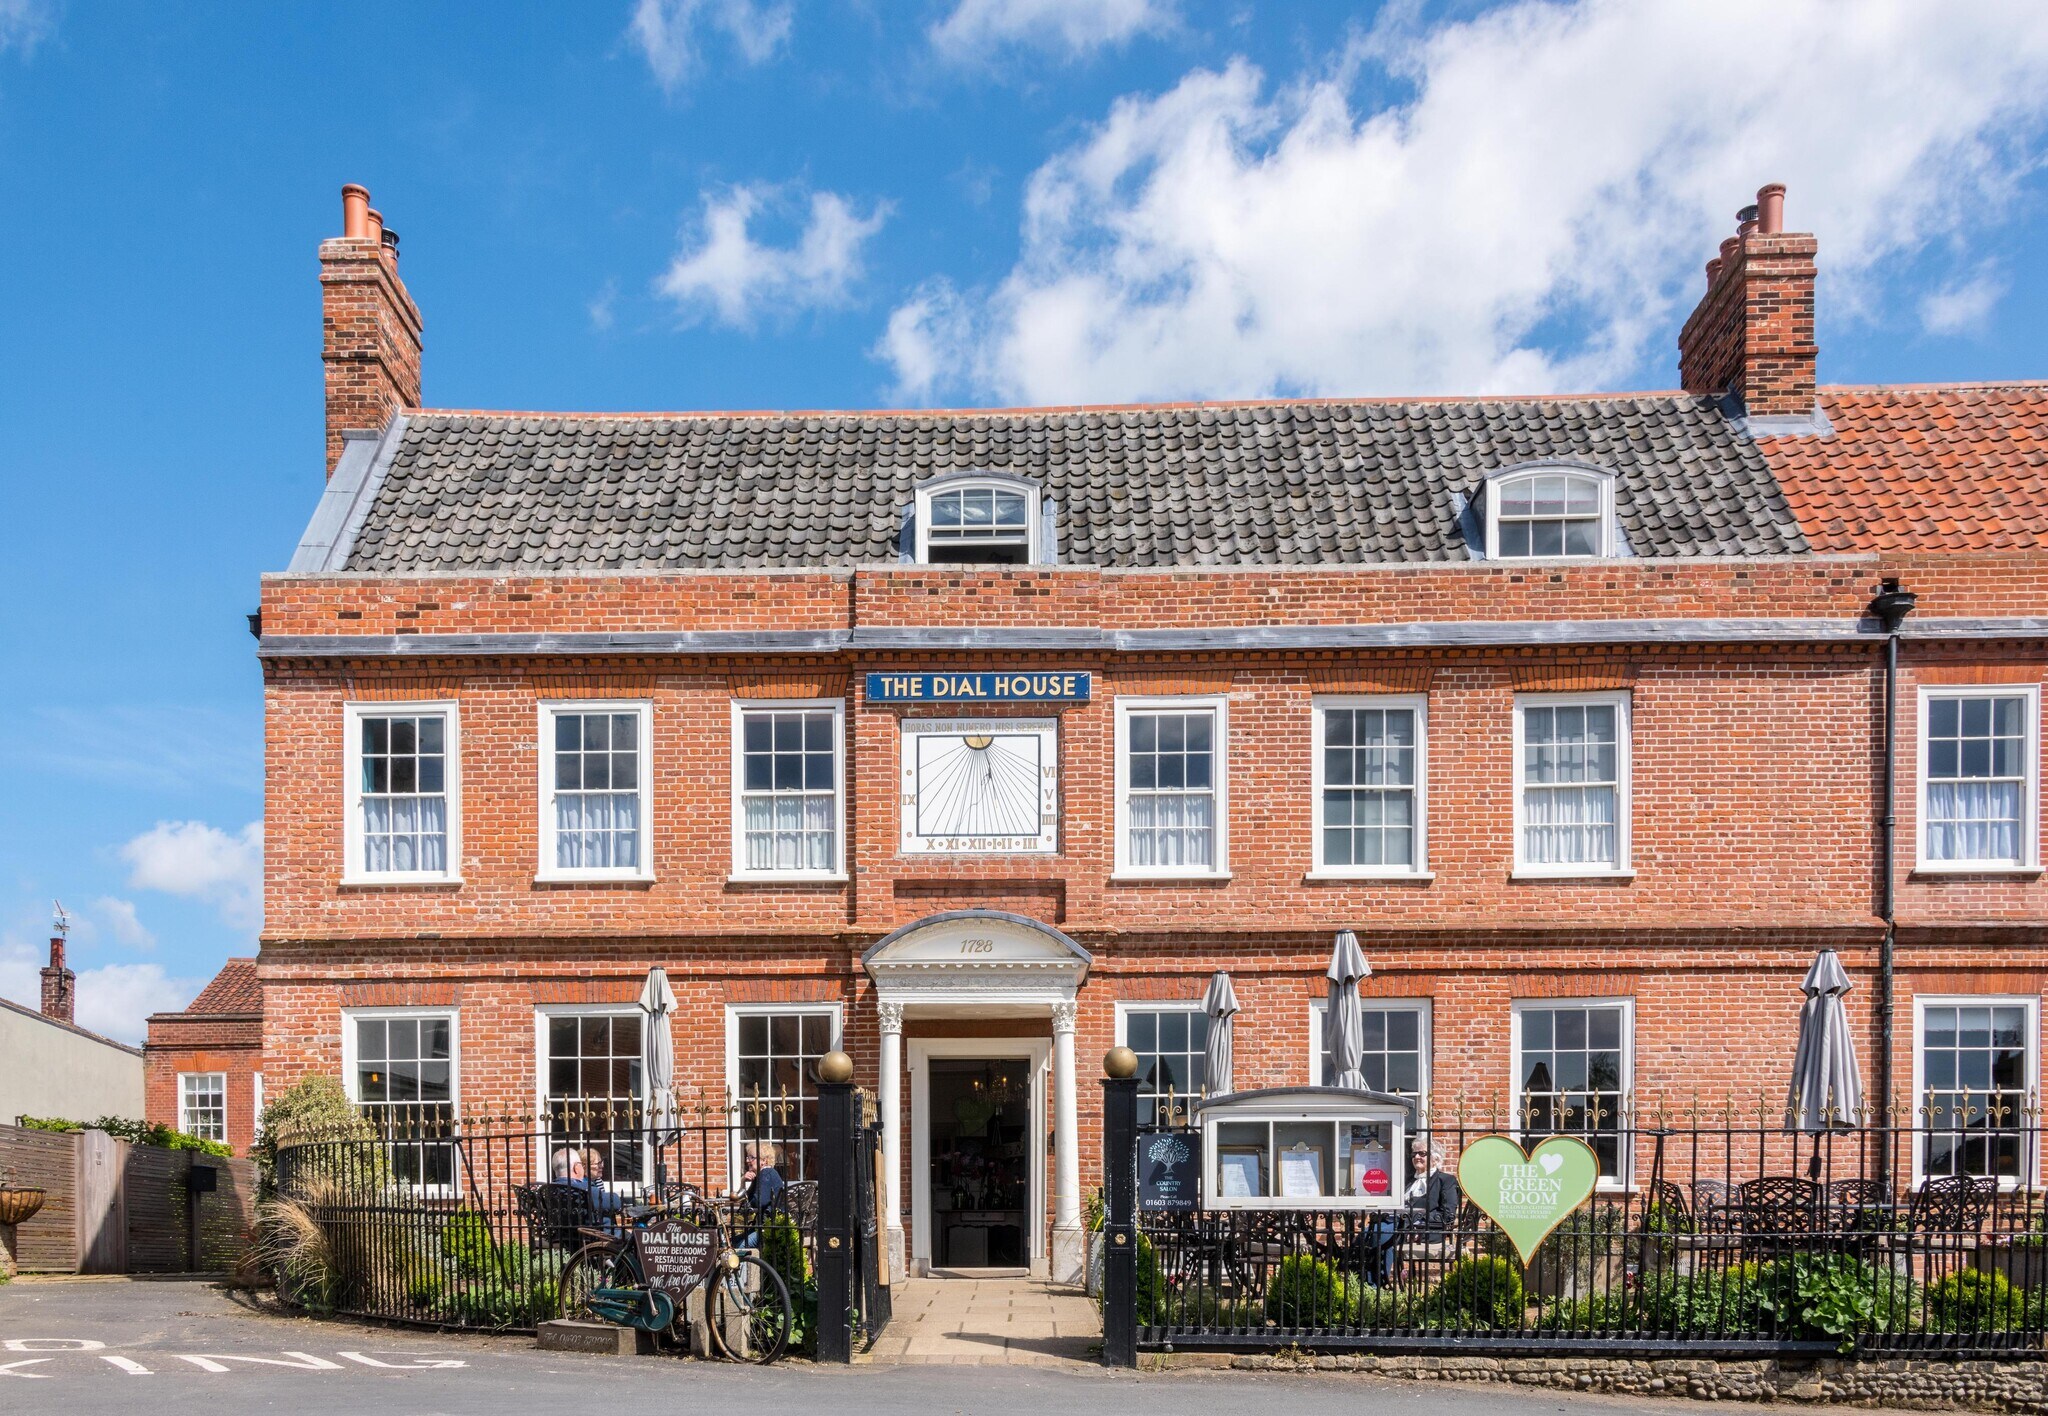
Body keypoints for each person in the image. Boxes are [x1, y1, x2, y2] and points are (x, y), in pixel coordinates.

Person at [1364, 1139, 1459, 1284]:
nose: (1416, 1157)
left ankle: (1372, 1285)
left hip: (1423, 1230)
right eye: (1414, 1154)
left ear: (1435, 1158)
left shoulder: (1445, 1180)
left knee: (1377, 1235)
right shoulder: (1408, 1181)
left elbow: (1448, 1215)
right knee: (1370, 1232)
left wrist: (1415, 1219)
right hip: (1398, 1225)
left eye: (1422, 1153)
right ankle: (1368, 1282)